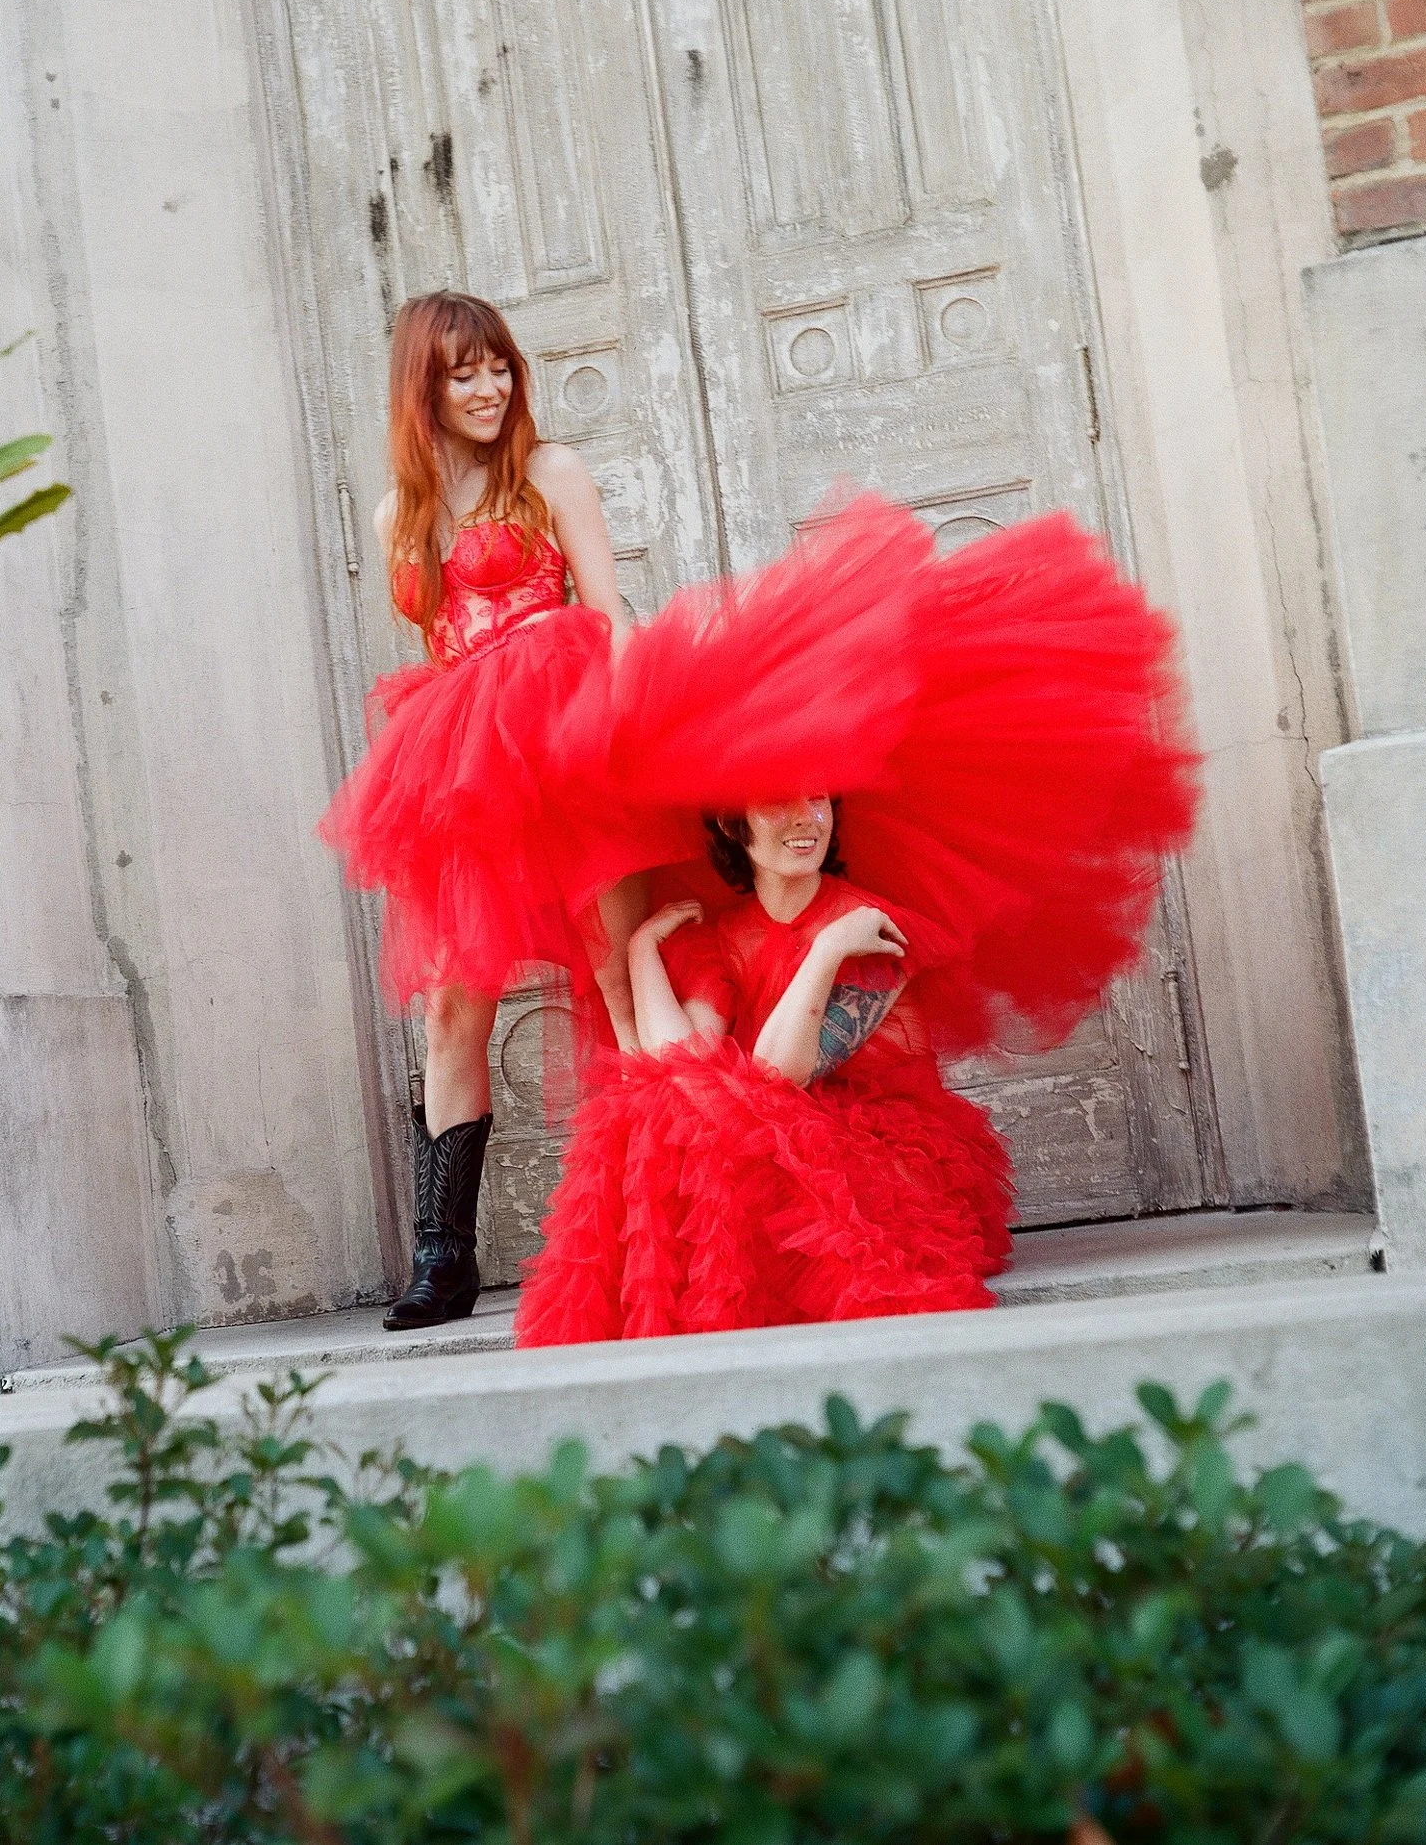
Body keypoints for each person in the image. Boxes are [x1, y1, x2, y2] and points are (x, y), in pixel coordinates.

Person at [513, 498, 1200, 1347]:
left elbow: (780, 1076)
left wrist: (828, 949)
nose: (805, 818)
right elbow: (678, 1058)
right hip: (782, 1129)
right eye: (779, 801)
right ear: (735, 824)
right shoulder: (722, 932)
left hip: (885, 1148)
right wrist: (647, 951)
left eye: (821, 799)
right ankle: (679, 1319)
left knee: (723, 1122)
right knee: (651, 1106)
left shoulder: (875, 928)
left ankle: (712, 1319)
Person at [319, 291, 693, 1331]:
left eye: (496, 367)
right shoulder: (401, 512)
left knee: (618, 974)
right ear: (422, 388)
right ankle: (444, 1258)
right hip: (463, 767)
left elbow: (606, 612)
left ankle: (661, 1216)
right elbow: (437, 645)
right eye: (461, 372)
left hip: (565, 742)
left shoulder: (549, 472)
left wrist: (618, 740)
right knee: (450, 1002)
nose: (487, 389)